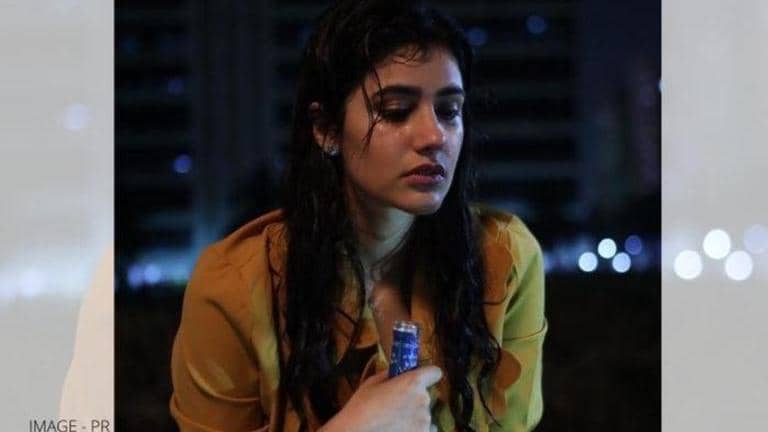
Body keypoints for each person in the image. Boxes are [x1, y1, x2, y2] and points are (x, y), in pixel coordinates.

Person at [169, 1, 547, 431]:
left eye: (449, 111)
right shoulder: (235, 286)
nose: (434, 136)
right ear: (326, 128)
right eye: (396, 110)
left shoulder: (502, 258)